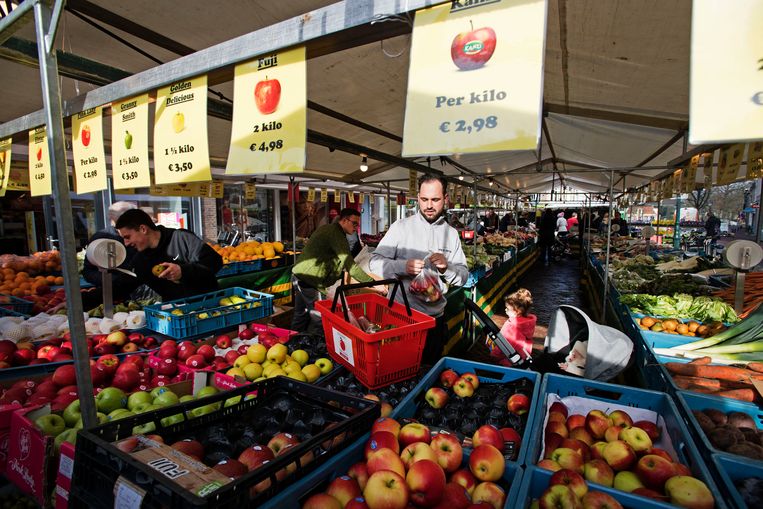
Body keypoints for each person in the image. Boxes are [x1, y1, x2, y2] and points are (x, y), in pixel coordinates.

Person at [370, 175, 468, 363]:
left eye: (435, 199)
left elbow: (463, 277)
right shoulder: (400, 227)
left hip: (434, 319)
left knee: (429, 370)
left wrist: (446, 268)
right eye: (424, 199)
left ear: (445, 198)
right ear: (418, 198)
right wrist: (402, 266)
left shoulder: (452, 234)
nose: (429, 205)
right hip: (401, 316)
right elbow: (375, 262)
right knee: (398, 368)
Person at [291, 208, 384, 335]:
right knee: (320, 317)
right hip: (309, 279)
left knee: (300, 314)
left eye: (358, 224)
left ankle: (293, 342)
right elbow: (350, 265)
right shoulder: (336, 234)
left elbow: (330, 257)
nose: (356, 228)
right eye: (354, 223)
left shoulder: (329, 229)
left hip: (300, 275)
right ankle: (318, 347)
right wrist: (371, 282)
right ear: (344, 220)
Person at [115, 209, 223, 301]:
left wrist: (183, 271)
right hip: (175, 315)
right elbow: (122, 286)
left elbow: (215, 262)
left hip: (209, 307)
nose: (126, 243)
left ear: (143, 229)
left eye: (127, 237)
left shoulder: (181, 238)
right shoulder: (139, 261)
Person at [82, 201, 141, 301]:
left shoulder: (138, 235)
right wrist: (111, 279)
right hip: (110, 294)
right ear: (113, 219)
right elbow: (88, 271)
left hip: (138, 292)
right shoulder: (101, 238)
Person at [490, 288, 537, 366]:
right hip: (521, 356)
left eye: (508, 309)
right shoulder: (527, 323)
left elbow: (506, 345)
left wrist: (494, 354)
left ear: (518, 311)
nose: (505, 310)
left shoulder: (513, 327)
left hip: (508, 360)